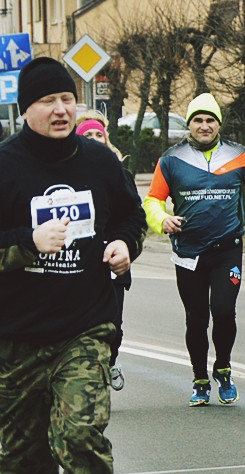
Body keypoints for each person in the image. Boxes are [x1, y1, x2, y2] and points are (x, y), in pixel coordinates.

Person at [0, 57, 145, 474]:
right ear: (27, 109)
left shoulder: (99, 162)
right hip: (16, 340)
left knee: (81, 436)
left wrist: (124, 245)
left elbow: (131, 217)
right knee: (24, 461)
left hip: (83, 329)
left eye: (67, 98)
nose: (62, 108)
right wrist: (28, 241)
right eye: (48, 101)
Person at [143, 93, 245, 406]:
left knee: (223, 311)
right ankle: (199, 379)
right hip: (188, 253)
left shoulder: (239, 155)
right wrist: (162, 219)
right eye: (198, 120)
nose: (204, 126)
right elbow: (152, 200)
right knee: (196, 318)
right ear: (189, 124)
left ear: (218, 123)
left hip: (227, 250)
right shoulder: (170, 159)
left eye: (210, 120)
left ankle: (223, 367)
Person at [77, 110, 142, 391]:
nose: (93, 139)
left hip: (112, 262)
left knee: (113, 327)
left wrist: (124, 243)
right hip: (79, 265)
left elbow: (133, 215)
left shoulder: (118, 173)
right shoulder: (69, 173)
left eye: (98, 135)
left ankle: (111, 360)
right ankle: (89, 380)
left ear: (106, 140)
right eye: (87, 135)